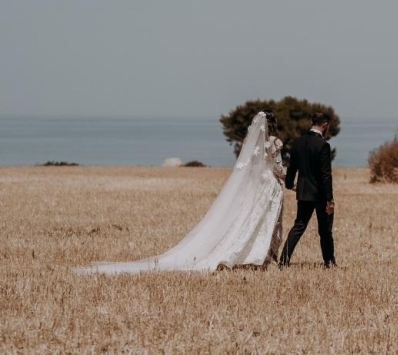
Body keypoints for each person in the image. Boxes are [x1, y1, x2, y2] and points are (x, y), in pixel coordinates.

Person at [76, 111, 286, 274]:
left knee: (248, 218)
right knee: (264, 220)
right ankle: (261, 255)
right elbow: (277, 166)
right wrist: (288, 178)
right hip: (268, 184)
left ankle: (248, 253)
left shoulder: (252, 142)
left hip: (254, 184)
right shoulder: (275, 142)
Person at [279, 112, 336, 268]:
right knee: (325, 230)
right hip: (320, 194)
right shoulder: (323, 145)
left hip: (303, 192)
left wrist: (290, 184)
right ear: (325, 125)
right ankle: (329, 262)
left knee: (298, 226)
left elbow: (291, 168)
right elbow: (325, 175)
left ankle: (283, 261)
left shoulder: (298, 142)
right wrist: (329, 199)